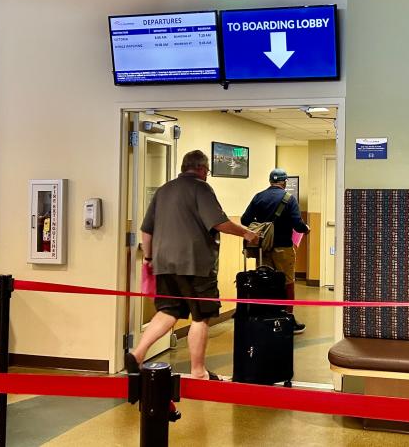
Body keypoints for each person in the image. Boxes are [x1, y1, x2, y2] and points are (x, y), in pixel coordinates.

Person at [126, 149, 258, 380]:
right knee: (200, 316)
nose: (207, 175)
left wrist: (148, 259)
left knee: (168, 310)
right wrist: (247, 234)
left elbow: (146, 230)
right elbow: (219, 222)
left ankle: (137, 354)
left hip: (164, 263)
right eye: (207, 170)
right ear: (200, 168)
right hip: (195, 265)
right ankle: (198, 371)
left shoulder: (164, 190)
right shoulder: (201, 188)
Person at [241, 168, 311, 333]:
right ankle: (287, 320)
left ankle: (266, 318)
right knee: (287, 283)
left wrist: (262, 224)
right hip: (283, 248)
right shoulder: (289, 199)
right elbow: (297, 224)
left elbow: (245, 219)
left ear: (270, 181)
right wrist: (306, 228)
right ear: (284, 182)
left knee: (265, 281)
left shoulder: (259, 197)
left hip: (263, 248)